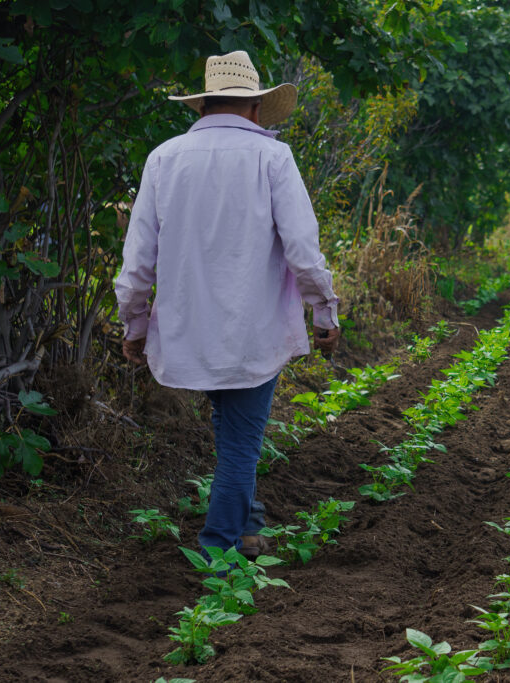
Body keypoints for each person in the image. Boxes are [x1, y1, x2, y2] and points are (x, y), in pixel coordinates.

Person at [115, 51, 340, 561]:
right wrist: (324, 312)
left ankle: (247, 524)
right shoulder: (272, 158)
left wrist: (134, 325)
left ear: (202, 107)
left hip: (189, 329)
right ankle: (220, 551)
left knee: (234, 433)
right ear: (256, 109)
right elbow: (303, 249)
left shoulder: (163, 159)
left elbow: (138, 261)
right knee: (241, 441)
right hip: (252, 331)